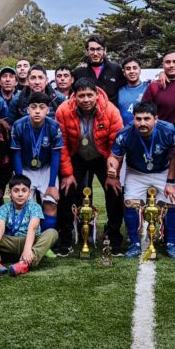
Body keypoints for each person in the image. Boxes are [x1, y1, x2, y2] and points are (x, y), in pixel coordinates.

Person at [57, 78, 125, 253]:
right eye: (81, 96)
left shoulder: (111, 111)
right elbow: (62, 144)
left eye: (89, 95)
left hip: (102, 157)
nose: (86, 99)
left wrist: (113, 175)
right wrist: (67, 173)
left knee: (115, 192)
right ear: (75, 97)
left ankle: (113, 236)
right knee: (66, 191)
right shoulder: (63, 110)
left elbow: (116, 145)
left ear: (96, 95)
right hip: (76, 156)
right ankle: (66, 236)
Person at [106, 102, 175, 258]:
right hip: (136, 172)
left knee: (171, 203)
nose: (142, 123)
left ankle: (171, 243)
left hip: (163, 170)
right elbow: (114, 157)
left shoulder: (168, 130)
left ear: (156, 119)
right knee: (129, 204)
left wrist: (170, 182)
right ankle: (134, 244)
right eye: (138, 119)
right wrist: (112, 168)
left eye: (147, 118)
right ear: (133, 119)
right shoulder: (125, 134)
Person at [10, 92, 64, 240]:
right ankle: (25, 239)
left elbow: (55, 156)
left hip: (46, 168)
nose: (37, 111)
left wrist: (52, 184)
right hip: (25, 168)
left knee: (50, 204)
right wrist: (21, 181)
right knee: (24, 205)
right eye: (33, 107)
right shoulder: (18, 125)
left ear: (48, 110)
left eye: (42, 107)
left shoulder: (53, 126)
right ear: (28, 109)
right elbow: (16, 155)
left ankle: (46, 243)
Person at [0, 175, 59, 277]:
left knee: (52, 233)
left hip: (29, 241)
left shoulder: (35, 207)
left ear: (29, 193)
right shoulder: (3, 208)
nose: (20, 194)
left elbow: (32, 228)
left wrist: (27, 249)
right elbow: (0, 228)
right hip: (9, 242)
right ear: (9, 193)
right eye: (16, 190)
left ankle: (24, 263)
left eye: (24, 190)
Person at [71, 34, 124, 105]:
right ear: (87, 51)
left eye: (98, 49)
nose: (95, 53)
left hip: (110, 114)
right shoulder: (78, 72)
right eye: (92, 49)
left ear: (105, 50)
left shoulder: (116, 69)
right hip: (87, 115)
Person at [117, 57, 150, 126]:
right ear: (124, 72)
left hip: (144, 131)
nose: (132, 71)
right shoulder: (118, 90)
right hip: (125, 132)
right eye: (128, 69)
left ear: (140, 70)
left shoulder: (149, 87)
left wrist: (162, 73)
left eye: (135, 68)